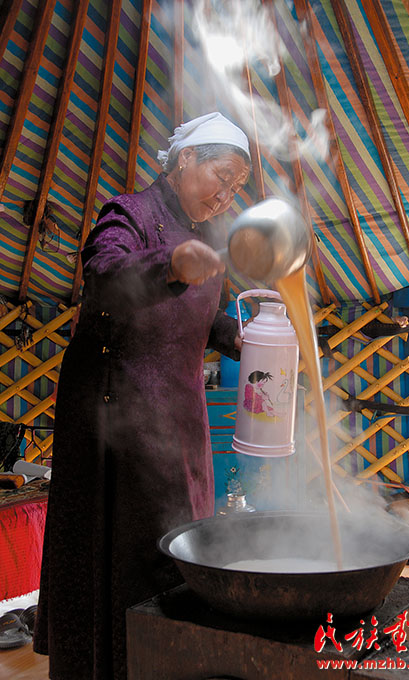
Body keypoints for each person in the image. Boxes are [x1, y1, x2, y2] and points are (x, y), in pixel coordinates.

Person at [33, 112, 251, 680]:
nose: (226, 196)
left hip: (179, 421)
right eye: (220, 177)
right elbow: (103, 274)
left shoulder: (205, 240)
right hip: (116, 419)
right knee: (129, 554)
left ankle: (165, 664)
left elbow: (197, 325)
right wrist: (169, 263)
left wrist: (240, 337)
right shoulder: (131, 212)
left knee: (180, 545)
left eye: (235, 188)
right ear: (185, 160)